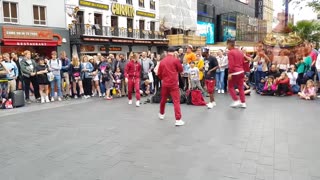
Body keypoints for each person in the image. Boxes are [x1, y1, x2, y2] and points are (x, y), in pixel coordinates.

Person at [157, 47, 184, 126]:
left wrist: (163, 78)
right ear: (174, 52)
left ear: (167, 52)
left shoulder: (162, 61)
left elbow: (159, 74)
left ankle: (161, 114)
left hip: (165, 83)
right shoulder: (175, 60)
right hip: (173, 83)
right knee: (176, 101)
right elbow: (181, 69)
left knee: (163, 99)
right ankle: (178, 119)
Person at [226, 39, 246, 108]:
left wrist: (230, 73)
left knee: (230, 87)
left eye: (227, 45)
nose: (227, 46)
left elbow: (231, 64)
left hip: (234, 72)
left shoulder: (230, 52)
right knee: (241, 87)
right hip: (241, 71)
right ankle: (243, 102)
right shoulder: (240, 52)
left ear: (229, 44)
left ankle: (236, 100)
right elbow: (243, 62)